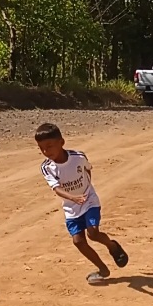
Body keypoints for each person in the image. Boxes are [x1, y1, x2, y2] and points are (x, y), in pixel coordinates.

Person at [35, 123, 129, 286]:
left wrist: (86, 190)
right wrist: (73, 198)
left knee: (93, 233)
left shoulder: (78, 157)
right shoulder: (47, 167)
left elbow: (88, 170)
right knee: (78, 241)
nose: (46, 151)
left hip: (89, 200)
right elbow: (56, 189)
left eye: (49, 146)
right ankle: (103, 270)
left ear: (61, 142)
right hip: (71, 207)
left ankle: (112, 246)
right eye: (41, 148)